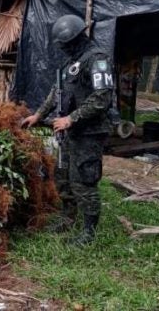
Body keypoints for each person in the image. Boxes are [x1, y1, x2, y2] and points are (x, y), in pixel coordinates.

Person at [21, 14, 114, 246]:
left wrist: (71, 118)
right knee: (63, 177)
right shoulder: (70, 63)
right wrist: (38, 115)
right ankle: (68, 217)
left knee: (83, 179)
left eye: (65, 45)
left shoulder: (98, 59)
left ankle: (88, 233)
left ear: (75, 39)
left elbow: (102, 98)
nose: (63, 49)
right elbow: (56, 92)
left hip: (89, 132)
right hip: (69, 132)